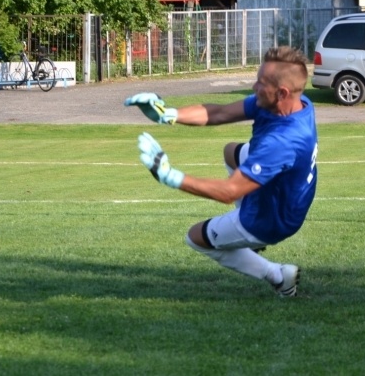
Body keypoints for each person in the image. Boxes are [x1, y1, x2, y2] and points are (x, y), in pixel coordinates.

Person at [125, 46, 318, 297]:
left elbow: (229, 191)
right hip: (288, 190)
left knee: (195, 238)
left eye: (261, 83)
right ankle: (246, 235)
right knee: (231, 152)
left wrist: (170, 176)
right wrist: (168, 113)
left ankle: (278, 276)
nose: (253, 87)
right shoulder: (294, 102)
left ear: (282, 93)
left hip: (272, 219)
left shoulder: (282, 142)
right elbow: (220, 112)